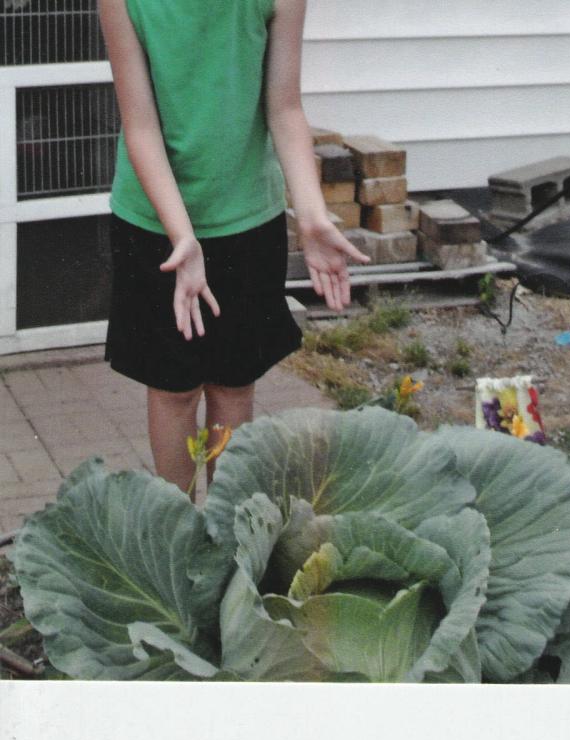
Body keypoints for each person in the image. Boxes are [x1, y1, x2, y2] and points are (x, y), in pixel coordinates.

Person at [98, 0, 370, 502]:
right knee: (174, 388)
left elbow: (285, 109)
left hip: (247, 217)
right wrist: (183, 235)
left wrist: (311, 216)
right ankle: (176, 530)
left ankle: (229, 531)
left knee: (233, 383)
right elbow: (140, 125)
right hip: (155, 221)